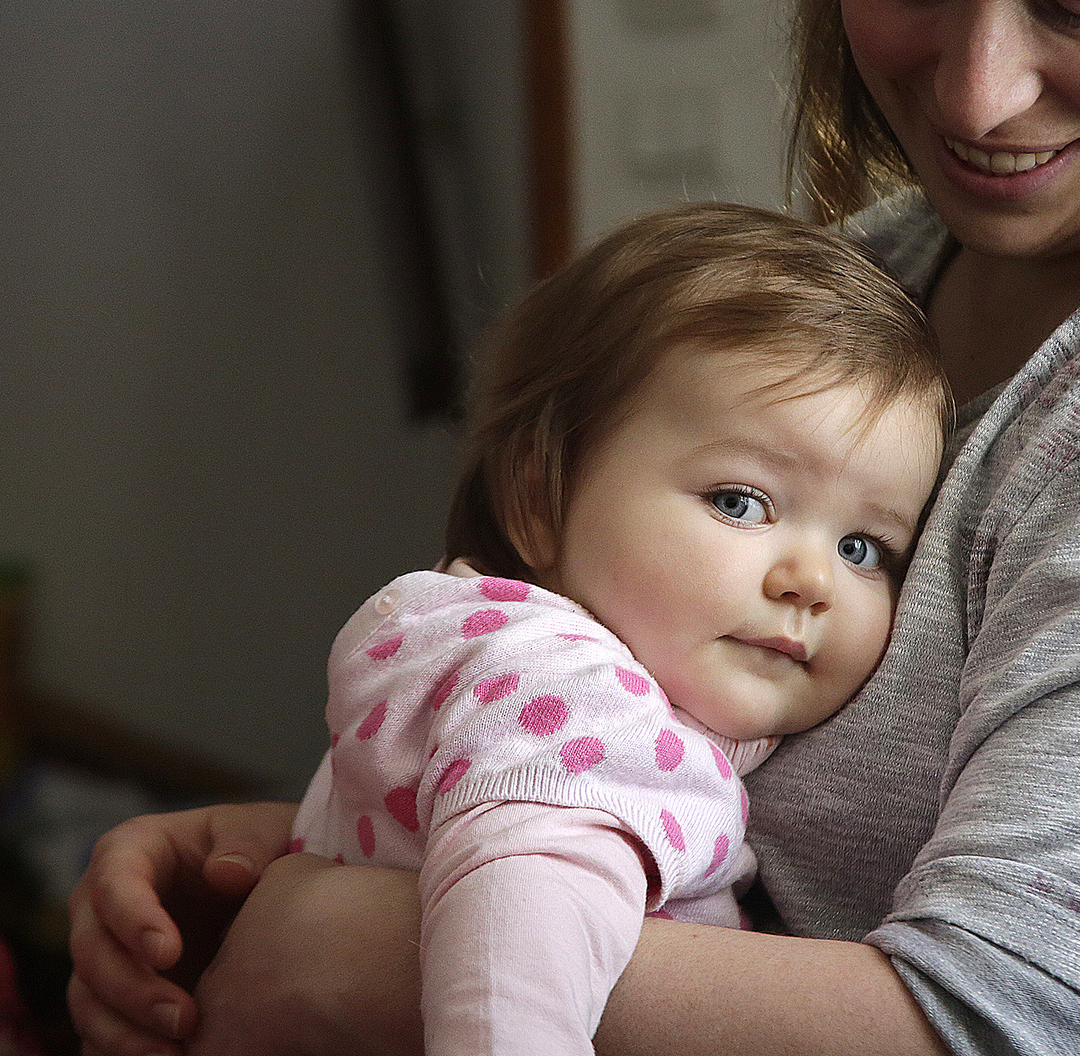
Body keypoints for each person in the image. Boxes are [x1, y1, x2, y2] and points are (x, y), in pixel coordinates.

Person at [68, 0, 1080, 1050]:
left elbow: (1025, 1024)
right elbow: (667, 727)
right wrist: (335, 835)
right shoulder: (901, 265)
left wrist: (366, 947)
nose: (981, 94)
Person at [285, 201, 949, 1056]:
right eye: (740, 502)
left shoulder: (483, 656)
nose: (811, 581)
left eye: (863, 547)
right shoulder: (579, 706)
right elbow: (513, 973)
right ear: (539, 495)